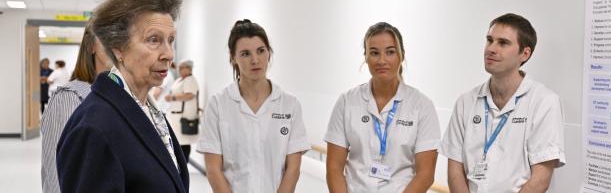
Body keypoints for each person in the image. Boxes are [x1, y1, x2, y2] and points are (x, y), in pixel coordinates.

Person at [56, 0, 188, 193]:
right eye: (154, 40)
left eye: (170, 40)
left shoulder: (149, 111)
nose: (169, 55)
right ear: (118, 48)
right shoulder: (94, 128)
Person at [440, 13, 566, 193]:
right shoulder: (465, 102)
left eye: (503, 43)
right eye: (489, 40)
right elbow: (455, 169)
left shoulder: (544, 102)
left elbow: (540, 179)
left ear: (525, 53)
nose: (491, 49)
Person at [325, 22, 441, 192]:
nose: (382, 60)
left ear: (401, 55)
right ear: (366, 57)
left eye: (390, 52)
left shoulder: (422, 106)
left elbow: (425, 174)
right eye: (374, 53)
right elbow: (334, 169)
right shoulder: (346, 102)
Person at [197, 19, 310, 193]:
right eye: (245, 54)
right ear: (233, 57)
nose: (255, 60)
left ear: (269, 53)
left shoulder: (289, 104)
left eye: (261, 51)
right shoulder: (218, 104)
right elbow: (213, 170)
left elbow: (292, 170)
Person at [40, 25, 112, 193]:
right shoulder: (70, 98)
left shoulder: (125, 96)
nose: (117, 43)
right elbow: (58, 175)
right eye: (109, 36)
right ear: (90, 45)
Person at [165, 60, 200, 162]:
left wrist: (173, 97)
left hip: (183, 117)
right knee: (178, 142)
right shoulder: (180, 80)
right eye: (179, 68)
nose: (179, 70)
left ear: (189, 68)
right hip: (175, 116)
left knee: (183, 143)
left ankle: (184, 164)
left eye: (182, 68)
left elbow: (190, 95)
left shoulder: (190, 80)